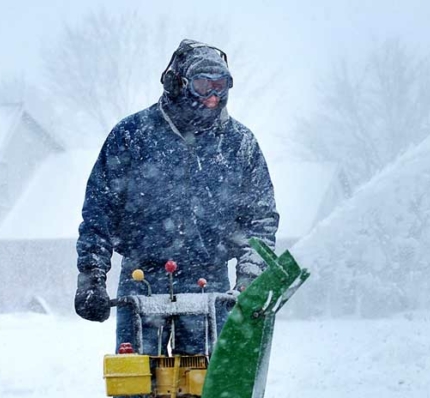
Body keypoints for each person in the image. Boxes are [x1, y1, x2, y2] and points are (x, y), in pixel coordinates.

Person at [74, 39, 278, 364]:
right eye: (202, 84)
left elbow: (261, 220)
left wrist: (250, 278)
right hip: (141, 278)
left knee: (209, 386)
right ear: (178, 83)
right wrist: (92, 276)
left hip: (209, 281)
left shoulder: (239, 145)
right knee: (137, 381)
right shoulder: (132, 136)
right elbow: (100, 211)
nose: (213, 96)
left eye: (221, 85)